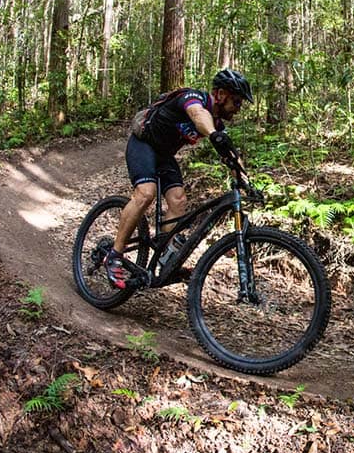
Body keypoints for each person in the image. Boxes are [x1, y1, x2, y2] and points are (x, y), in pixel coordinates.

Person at [104, 69, 253, 289]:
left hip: (164, 155)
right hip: (143, 145)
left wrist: (247, 183)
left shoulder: (217, 125)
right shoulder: (193, 98)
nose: (238, 109)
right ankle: (114, 254)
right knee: (146, 193)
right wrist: (213, 134)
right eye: (237, 102)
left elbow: (231, 156)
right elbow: (197, 115)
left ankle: (164, 256)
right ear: (221, 94)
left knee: (179, 201)